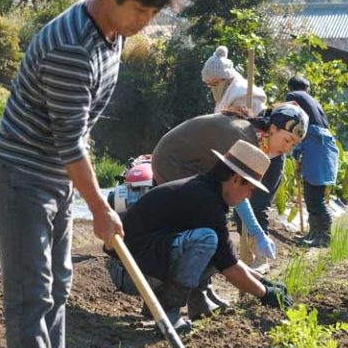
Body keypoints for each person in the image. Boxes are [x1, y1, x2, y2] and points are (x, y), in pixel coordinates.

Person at [0, 0, 183, 348]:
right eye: (140, 10)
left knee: (58, 284)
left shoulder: (111, 33)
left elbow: (78, 133)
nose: (145, 22)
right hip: (21, 172)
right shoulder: (72, 47)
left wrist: (88, 197)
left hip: (55, 173)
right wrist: (99, 208)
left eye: (153, 14)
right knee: (31, 289)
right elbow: (69, 142)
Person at [105, 140, 294, 333]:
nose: (248, 197)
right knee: (206, 240)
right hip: (128, 271)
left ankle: (165, 303)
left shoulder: (206, 191)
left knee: (213, 247)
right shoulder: (205, 200)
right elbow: (229, 268)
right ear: (236, 179)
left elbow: (226, 257)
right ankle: (168, 312)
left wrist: (264, 282)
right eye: (250, 189)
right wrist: (265, 293)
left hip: (136, 265)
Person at [147, 102, 308, 318]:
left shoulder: (255, 140)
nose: (288, 148)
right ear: (272, 128)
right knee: (206, 232)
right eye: (287, 140)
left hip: (194, 164)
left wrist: (262, 278)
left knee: (211, 229)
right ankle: (177, 299)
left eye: (294, 144)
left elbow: (238, 191)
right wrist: (257, 233)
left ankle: (201, 293)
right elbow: (237, 193)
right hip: (174, 163)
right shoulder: (243, 139)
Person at [285, 76, 339, 248]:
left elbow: (295, 124)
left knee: (315, 198)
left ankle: (324, 237)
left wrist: (295, 150)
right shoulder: (313, 101)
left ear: (290, 88)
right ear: (307, 88)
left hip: (315, 145)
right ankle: (314, 233)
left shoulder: (293, 97)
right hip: (321, 146)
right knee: (312, 195)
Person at [201, 45, 266, 114]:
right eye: (209, 84)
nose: (213, 88)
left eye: (215, 83)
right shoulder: (223, 97)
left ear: (227, 79)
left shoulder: (243, 95)